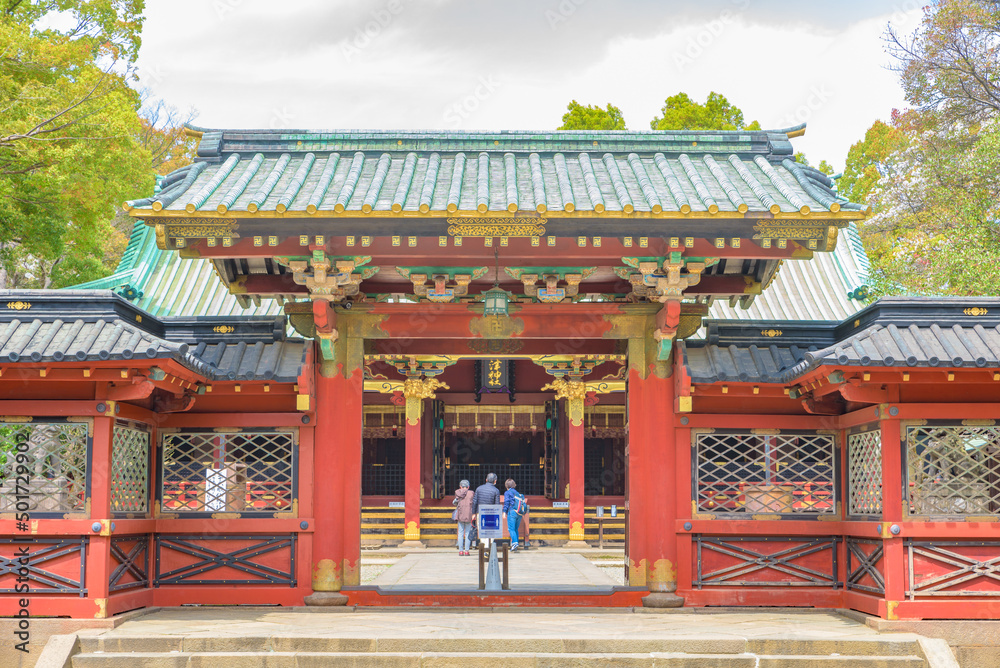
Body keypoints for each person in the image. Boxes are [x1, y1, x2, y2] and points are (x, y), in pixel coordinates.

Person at [471, 472, 502, 547]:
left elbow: (474, 502)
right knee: (491, 531)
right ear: (495, 481)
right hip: (491, 513)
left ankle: (484, 548)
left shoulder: (479, 489)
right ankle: (489, 548)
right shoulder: (496, 490)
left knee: (482, 531)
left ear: (486, 480)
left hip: (480, 512)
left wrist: (473, 513)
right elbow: (497, 505)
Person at [452, 479, 474, 556]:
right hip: (469, 515)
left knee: (460, 533)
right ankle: (467, 551)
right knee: (468, 533)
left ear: (460, 486)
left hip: (460, 515)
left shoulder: (458, 493)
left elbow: (454, 502)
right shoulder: (471, 493)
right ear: (468, 486)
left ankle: (461, 551)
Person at [502, 478, 525, 551]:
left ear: (506, 485)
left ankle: (514, 543)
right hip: (519, 513)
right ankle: (515, 544)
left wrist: (504, 512)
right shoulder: (517, 493)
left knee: (511, 529)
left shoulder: (507, 493)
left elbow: (506, 503)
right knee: (515, 529)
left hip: (512, 512)